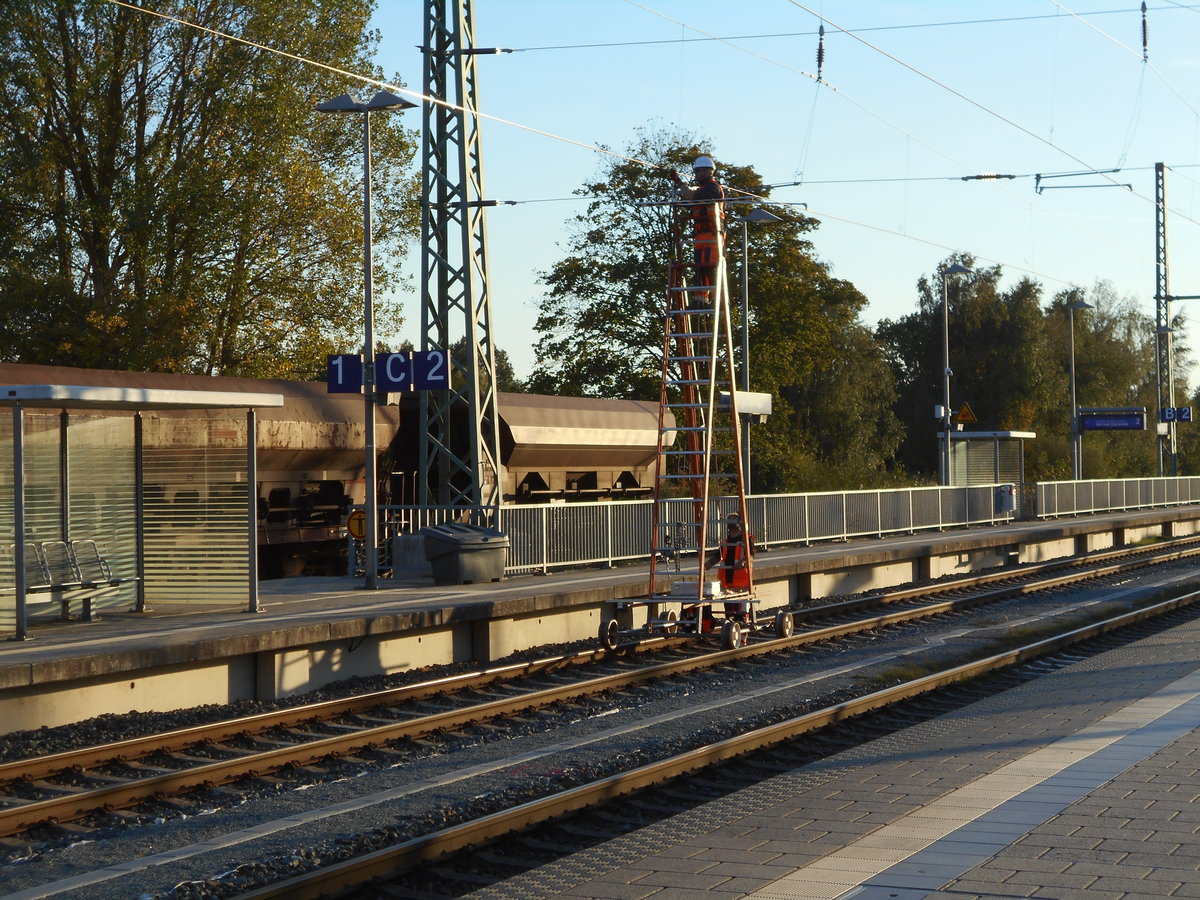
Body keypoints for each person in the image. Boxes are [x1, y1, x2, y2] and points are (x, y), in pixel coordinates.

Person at [666, 155, 726, 307]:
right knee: (700, 268)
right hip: (701, 236)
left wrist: (678, 181)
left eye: (699, 171)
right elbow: (691, 202)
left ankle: (716, 300)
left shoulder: (713, 188)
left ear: (708, 171)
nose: (696, 175)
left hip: (712, 237)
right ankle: (700, 300)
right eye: (696, 171)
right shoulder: (703, 189)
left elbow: (692, 196)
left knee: (711, 267)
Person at [707, 512, 754, 621]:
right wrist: (709, 563)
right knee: (729, 612)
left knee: (741, 612)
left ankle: (742, 631)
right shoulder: (726, 542)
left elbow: (751, 555)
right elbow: (718, 556)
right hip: (727, 582)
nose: (730, 520)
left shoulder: (746, 538)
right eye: (729, 518)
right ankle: (730, 629)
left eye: (733, 518)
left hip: (741, 583)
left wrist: (743, 562)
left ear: (739, 522)